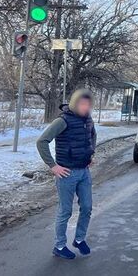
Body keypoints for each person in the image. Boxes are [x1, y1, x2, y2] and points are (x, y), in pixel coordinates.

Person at [36, 89, 96, 260]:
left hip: (84, 172)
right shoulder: (62, 121)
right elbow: (42, 142)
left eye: (88, 104)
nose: (86, 107)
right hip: (66, 174)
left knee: (87, 207)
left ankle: (79, 239)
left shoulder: (88, 119)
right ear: (75, 103)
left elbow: (92, 135)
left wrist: (91, 154)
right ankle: (60, 245)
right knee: (65, 211)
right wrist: (53, 166)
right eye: (83, 104)